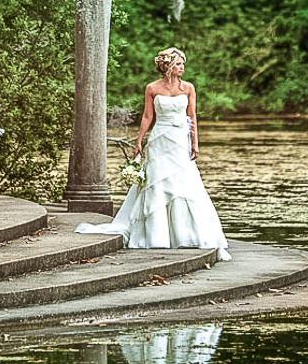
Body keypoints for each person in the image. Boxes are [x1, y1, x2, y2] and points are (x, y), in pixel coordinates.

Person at [75, 47, 232, 261]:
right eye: (178, 64)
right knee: (157, 181)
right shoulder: (152, 88)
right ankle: (156, 233)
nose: (182, 68)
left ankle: (186, 233)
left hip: (180, 140)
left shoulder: (188, 88)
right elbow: (147, 116)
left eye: (183, 64)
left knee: (183, 181)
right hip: (160, 138)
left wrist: (195, 143)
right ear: (168, 66)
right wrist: (139, 141)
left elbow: (192, 116)